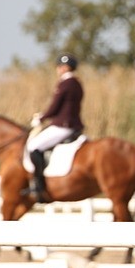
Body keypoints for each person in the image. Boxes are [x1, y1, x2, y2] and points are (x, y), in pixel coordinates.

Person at [23, 53, 84, 200]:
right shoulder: (77, 84)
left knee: (33, 147)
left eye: (61, 66)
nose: (59, 69)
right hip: (74, 124)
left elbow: (55, 107)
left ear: (63, 68)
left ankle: (39, 185)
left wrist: (40, 119)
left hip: (62, 125)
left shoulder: (64, 84)